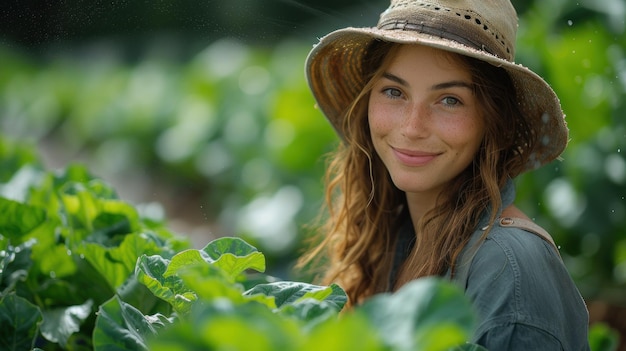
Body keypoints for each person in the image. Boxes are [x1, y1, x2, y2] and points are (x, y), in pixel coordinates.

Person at [297, 0, 591, 349]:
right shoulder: (394, 238)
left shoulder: (508, 268)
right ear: (367, 103)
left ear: (492, 121)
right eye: (394, 92)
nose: (412, 127)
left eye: (449, 100)